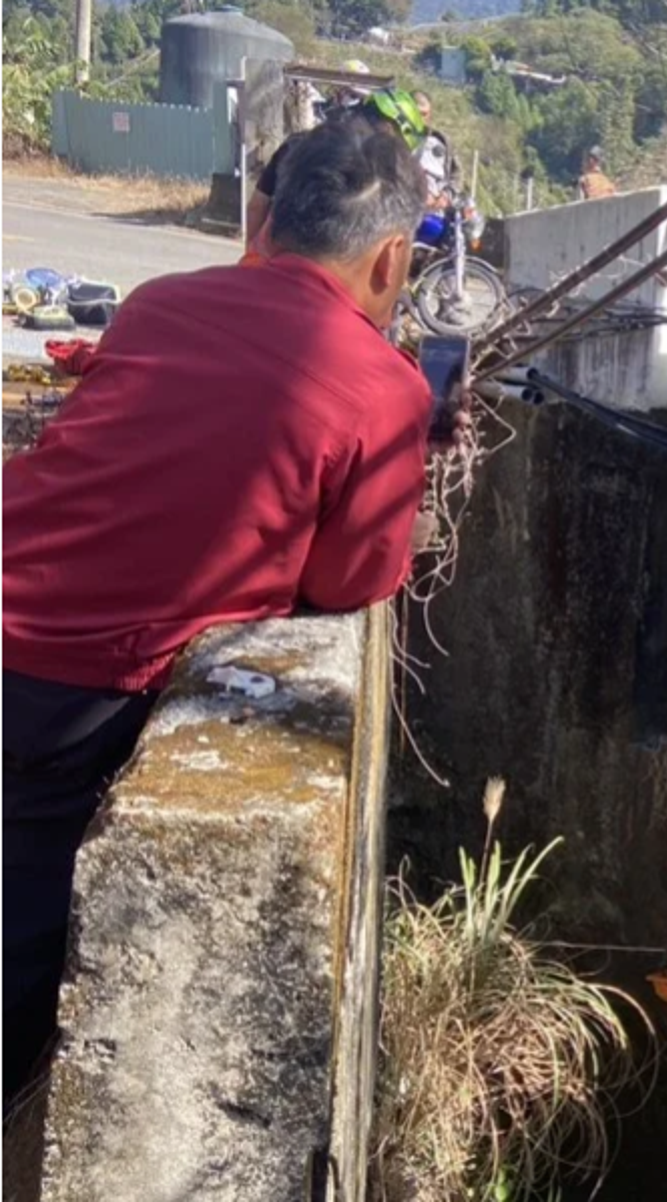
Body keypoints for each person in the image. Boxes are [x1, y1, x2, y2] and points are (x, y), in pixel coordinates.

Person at [2, 121, 434, 1112]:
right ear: (391, 256)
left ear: (261, 222)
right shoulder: (386, 390)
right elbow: (352, 581)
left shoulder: (161, 303)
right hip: (67, 688)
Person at [244, 85, 428, 262]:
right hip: (320, 283)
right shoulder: (375, 176)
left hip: (268, 265)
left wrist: (251, 256)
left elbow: (257, 205)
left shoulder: (297, 143)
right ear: (389, 128)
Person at [412, 90, 458, 211]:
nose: (420, 118)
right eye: (416, 113)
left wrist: (446, 196)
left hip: (434, 213)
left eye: (424, 114)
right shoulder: (394, 138)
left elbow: (456, 176)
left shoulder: (441, 141)